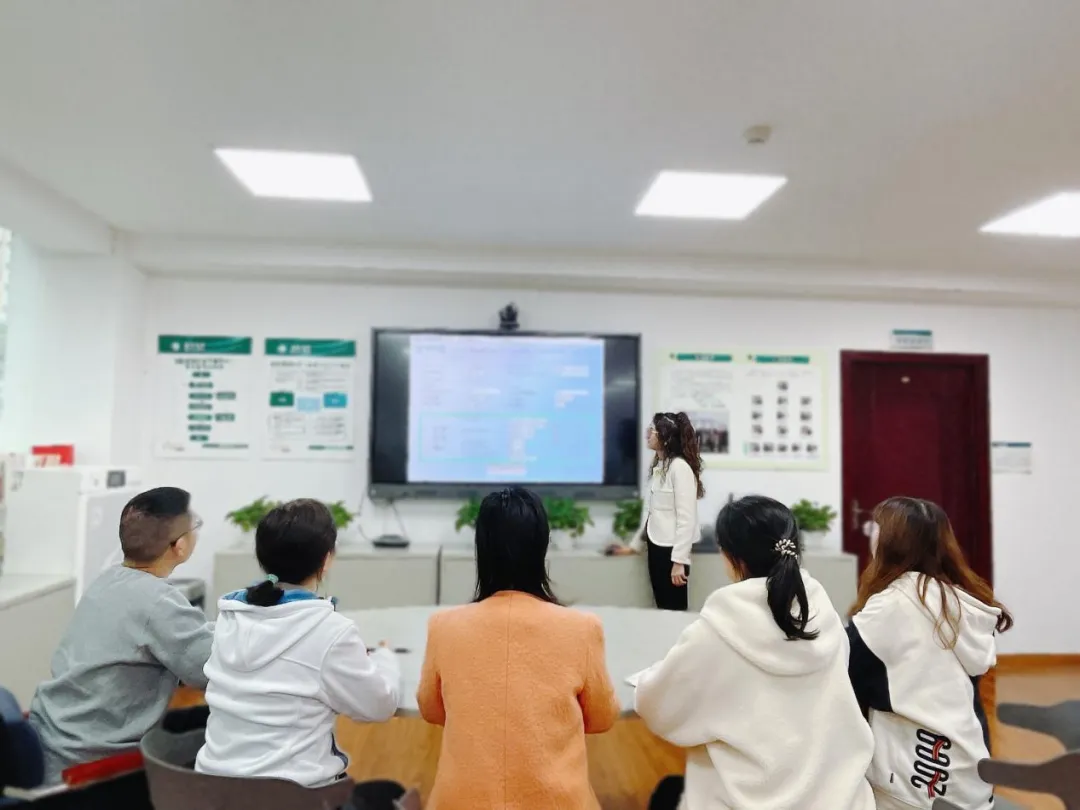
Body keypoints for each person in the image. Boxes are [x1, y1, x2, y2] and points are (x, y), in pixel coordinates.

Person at [635, 495, 876, 810]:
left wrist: (647, 681)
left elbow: (658, 705)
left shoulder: (718, 628)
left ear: (730, 556)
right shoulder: (823, 613)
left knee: (668, 793)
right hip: (838, 795)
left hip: (745, 799)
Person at [417, 487, 620, 810]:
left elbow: (432, 709)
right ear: (542, 545)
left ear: (482, 549)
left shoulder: (443, 626)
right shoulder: (582, 628)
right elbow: (602, 717)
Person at [196, 498, 403, 805]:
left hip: (213, 794)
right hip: (294, 798)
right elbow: (379, 706)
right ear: (326, 559)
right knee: (389, 794)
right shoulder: (330, 631)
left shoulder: (229, 618)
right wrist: (386, 659)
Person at [28, 487, 214, 785]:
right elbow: (209, 669)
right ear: (179, 546)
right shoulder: (157, 600)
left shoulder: (109, 579)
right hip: (89, 761)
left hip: (56, 737)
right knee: (212, 739)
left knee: (192, 719)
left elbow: (190, 636)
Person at [847, 497, 1013, 810]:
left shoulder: (890, 607)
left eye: (875, 528)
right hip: (973, 780)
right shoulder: (962, 603)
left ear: (888, 542)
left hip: (912, 789)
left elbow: (845, 684)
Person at [612, 412, 704, 611]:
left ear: (666, 437)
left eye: (652, 430)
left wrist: (679, 561)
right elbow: (649, 512)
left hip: (672, 551)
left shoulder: (680, 468)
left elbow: (687, 519)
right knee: (662, 606)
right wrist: (634, 545)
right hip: (656, 546)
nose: (648, 434)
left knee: (674, 610)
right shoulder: (660, 466)